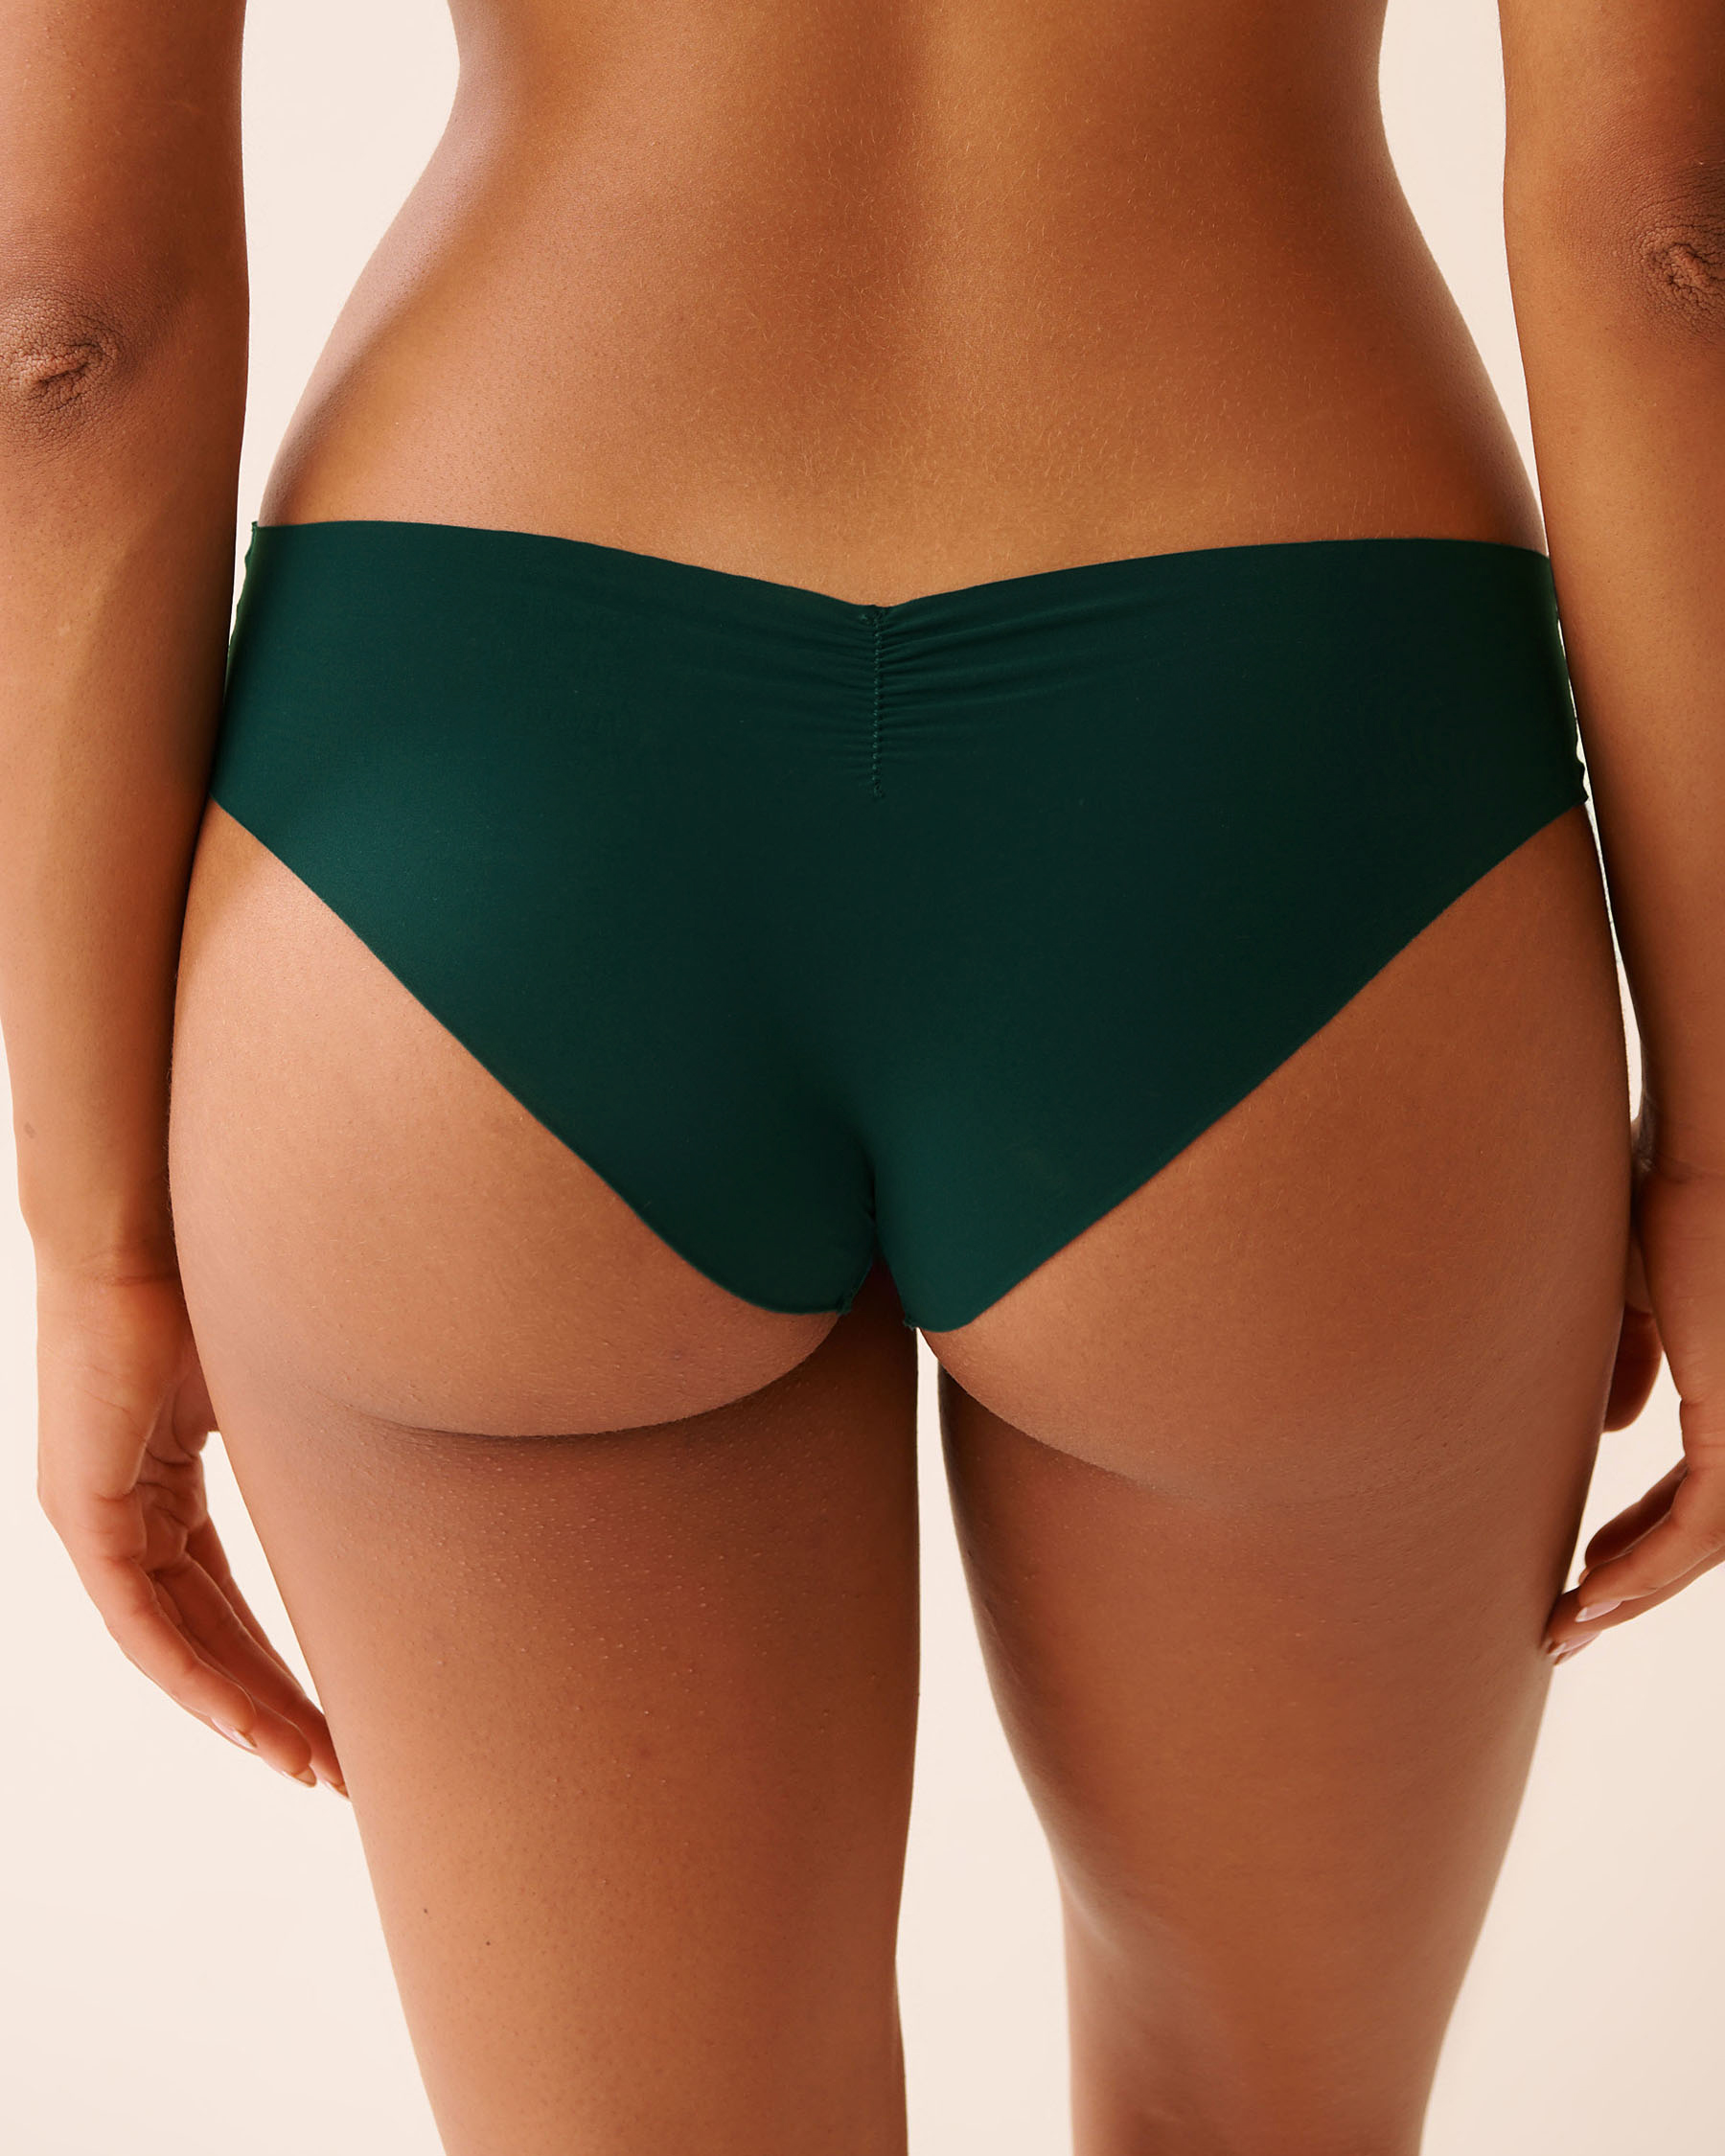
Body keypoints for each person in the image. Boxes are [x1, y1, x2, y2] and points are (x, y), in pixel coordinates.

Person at [1, 0, 1718, 2147]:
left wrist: (98, 1238)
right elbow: (1671, 246)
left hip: (478, 781)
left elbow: (63, 338)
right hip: (1279, 755)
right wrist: (1714, 1158)